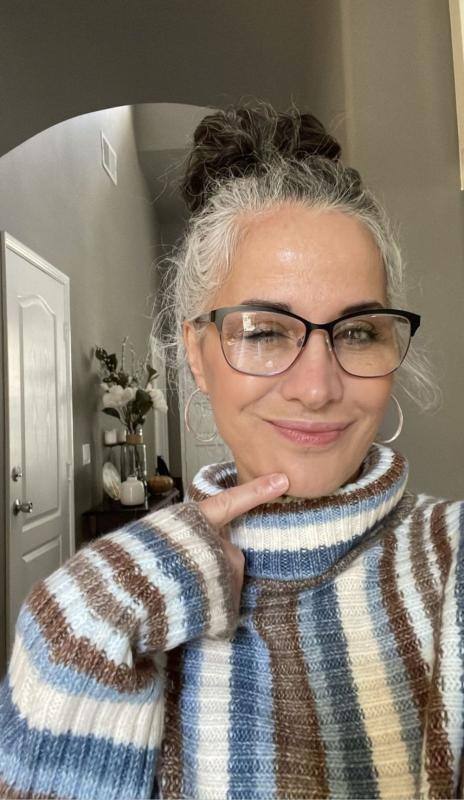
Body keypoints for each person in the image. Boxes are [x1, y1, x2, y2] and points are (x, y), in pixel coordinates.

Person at [0, 103, 462, 800]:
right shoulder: (99, 610)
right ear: (197, 352)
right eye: (266, 331)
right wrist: (83, 621)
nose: (317, 388)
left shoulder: (451, 565)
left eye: (358, 332)